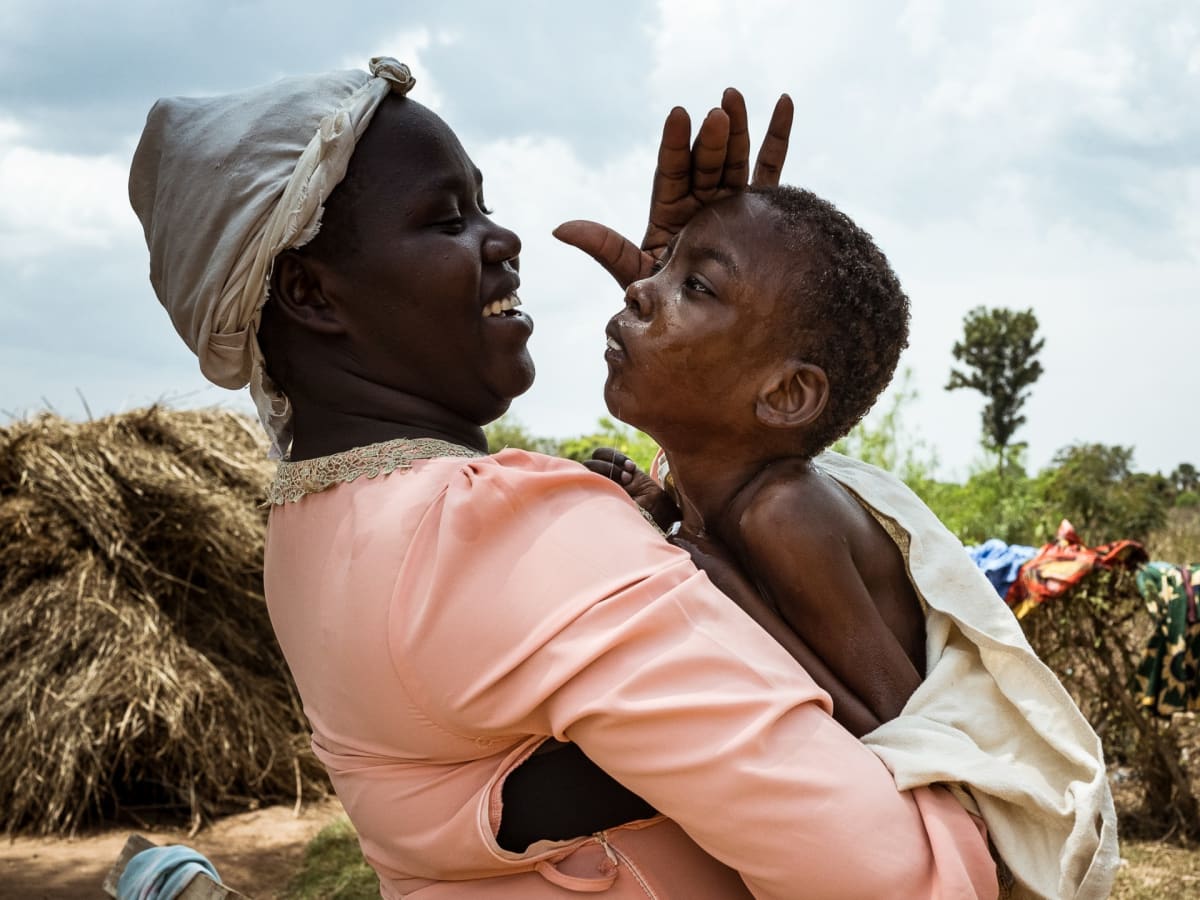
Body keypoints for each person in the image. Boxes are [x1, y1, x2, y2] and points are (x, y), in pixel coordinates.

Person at [129, 58, 1003, 898]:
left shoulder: (315, 529)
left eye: (484, 207)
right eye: (445, 220)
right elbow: (897, 877)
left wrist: (703, 357)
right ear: (312, 295)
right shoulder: (507, 534)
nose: (502, 238)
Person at [568, 187, 1120, 898]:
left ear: (786, 395)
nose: (641, 290)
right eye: (666, 265)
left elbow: (897, 727)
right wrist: (668, 515)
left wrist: (707, 575)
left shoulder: (784, 510)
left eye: (693, 285)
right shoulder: (713, 493)